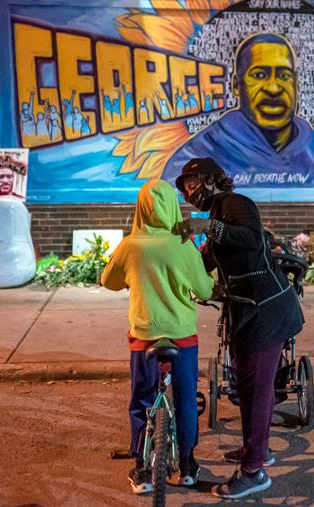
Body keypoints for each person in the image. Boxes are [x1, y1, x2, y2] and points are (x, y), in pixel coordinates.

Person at [175, 157, 305, 500]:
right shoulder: (216, 211)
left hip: (266, 310)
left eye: (193, 182)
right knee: (246, 388)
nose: (190, 191)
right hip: (244, 310)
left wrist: (208, 229)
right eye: (186, 188)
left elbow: (249, 239)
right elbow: (206, 261)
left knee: (257, 391)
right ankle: (255, 451)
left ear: (212, 179)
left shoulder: (236, 203)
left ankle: (254, 471)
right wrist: (178, 263)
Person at [101, 179, 214, 495]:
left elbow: (108, 280)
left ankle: (141, 468)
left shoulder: (130, 246)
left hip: (144, 337)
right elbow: (205, 289)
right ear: (172, 207)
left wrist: (131, 280)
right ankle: (188, 465)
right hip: (182, 336)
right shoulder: (182, 244)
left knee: (141, 399)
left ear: (140, 207)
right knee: (186, 398)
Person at [162, 33, 314, 188]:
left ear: (296, 83)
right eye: (259, 75)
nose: (273, 88)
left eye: (284, 76)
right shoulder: (194, 157)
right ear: (236, 85)